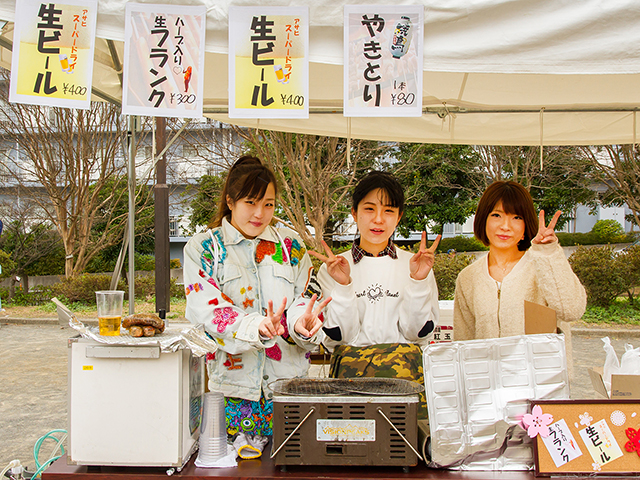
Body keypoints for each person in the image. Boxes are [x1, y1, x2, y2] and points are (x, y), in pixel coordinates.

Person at [184, 155, 329, 438]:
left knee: (294, 466)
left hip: (289, 389)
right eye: (250, 202)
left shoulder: (291, 246)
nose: (260, 214)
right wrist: (255, 326)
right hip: (233, 391)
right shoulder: (204, 249)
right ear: (230, 201)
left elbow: (305, 295)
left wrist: (302, 323)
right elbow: (205, 309)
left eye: (268, 204)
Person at [311, 171, 440, 416]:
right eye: (369, 209)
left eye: (389, 211)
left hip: (405, 385)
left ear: (399, 216)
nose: (378, 219)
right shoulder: (334, 268)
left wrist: (417, 281)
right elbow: (338, 338)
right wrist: (345, 284)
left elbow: (417, 333)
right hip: (349, 386)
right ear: (354, 213)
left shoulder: (415, 265)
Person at [453, 180, 587, 341]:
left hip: (540, 366)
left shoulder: (543, 265)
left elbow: (571, 310)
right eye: (496, 215)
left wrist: (548, 253)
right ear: (483, 220)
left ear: (526, 225)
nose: (505, 226)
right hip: (489, 366)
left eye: (516, 217)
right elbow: (464, 342)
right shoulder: (468, 278)